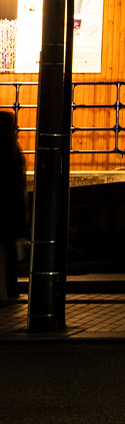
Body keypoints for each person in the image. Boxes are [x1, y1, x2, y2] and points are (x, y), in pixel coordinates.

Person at [0, 110, 26, 300]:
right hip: (13, 207)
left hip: (5, 207)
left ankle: (7, 289)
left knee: (6, 248)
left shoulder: (4, 148)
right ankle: (11, 288)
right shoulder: (14, 148)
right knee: (9, 249)